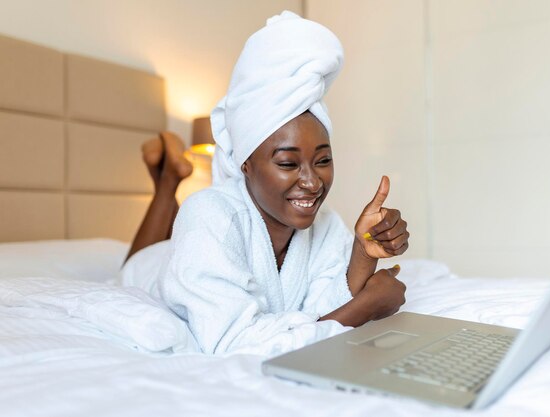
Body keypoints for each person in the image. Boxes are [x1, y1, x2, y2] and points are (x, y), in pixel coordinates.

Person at [123, 11, 409, 356]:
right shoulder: (207, 214)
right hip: (152, 269)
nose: (312, 181)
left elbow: (318, 307)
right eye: (288, 163)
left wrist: (363, 253)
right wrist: (365, 309)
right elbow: (230, 341)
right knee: (132, 263)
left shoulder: (326, 224)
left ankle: (168, 181)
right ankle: (167, 184)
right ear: (245, 163)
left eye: (323, 160)